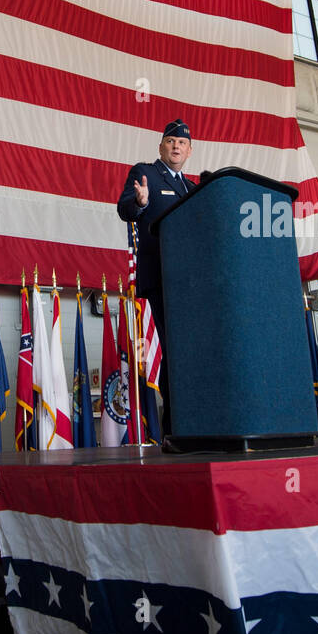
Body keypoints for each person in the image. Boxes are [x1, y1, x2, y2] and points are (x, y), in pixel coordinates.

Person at [116, 119, 194, 430]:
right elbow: (125, 210)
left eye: (182, 143)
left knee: (188, 352)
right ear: (161, 146)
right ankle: (174, 426)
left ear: (189, 151)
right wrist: (140, 201)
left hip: (189, 284)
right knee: (168, 353)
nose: (176, 146)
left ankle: (194, 420)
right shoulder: (145, 173)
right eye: (171, 141)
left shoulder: (192, 188)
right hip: (159, 280)